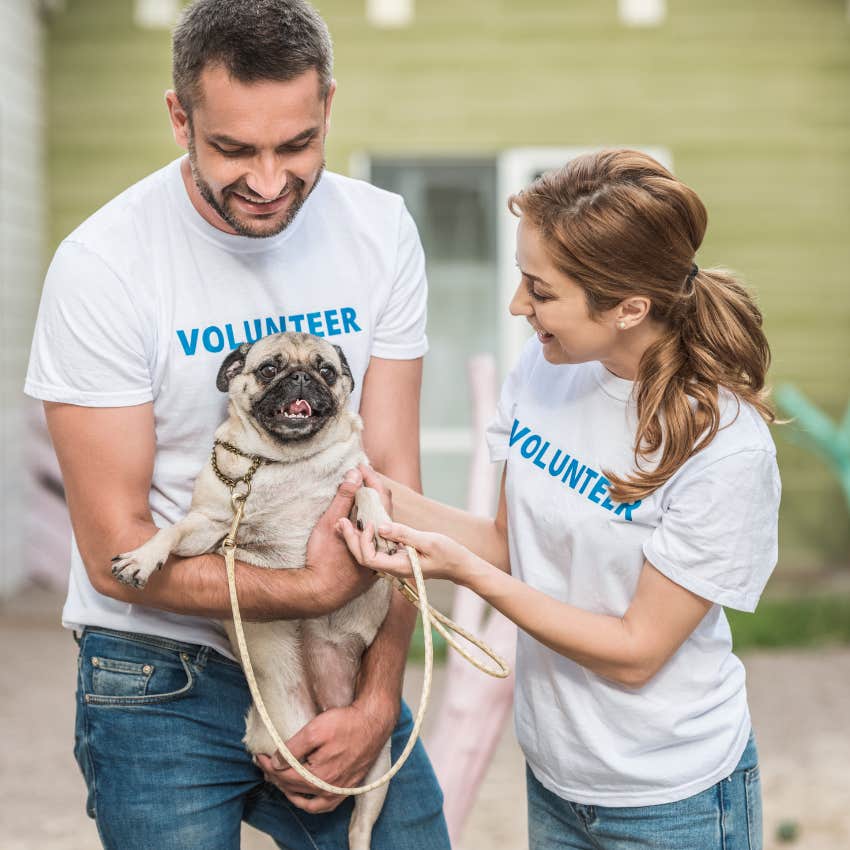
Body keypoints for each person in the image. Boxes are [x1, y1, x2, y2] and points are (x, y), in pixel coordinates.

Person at [24, 1, 450, 848]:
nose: (265, 180)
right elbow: (117, 554)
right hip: (158, 673)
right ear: (180, 116)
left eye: (295, 146)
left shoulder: (379, 230)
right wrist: (314, 587)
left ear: (328, 105)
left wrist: (377, 695)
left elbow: (397, 485)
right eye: (232, 149)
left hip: (343, 654)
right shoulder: (104, 266)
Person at [340, 149, 779, 850]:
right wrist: (367, 490)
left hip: (674, 800)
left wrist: (464, 573)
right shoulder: (544, 372)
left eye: (541, 293)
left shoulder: (723, 448)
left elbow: (636, 651)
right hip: (555, 781)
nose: (519, 307)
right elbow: (513, 544)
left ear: (630, 307)